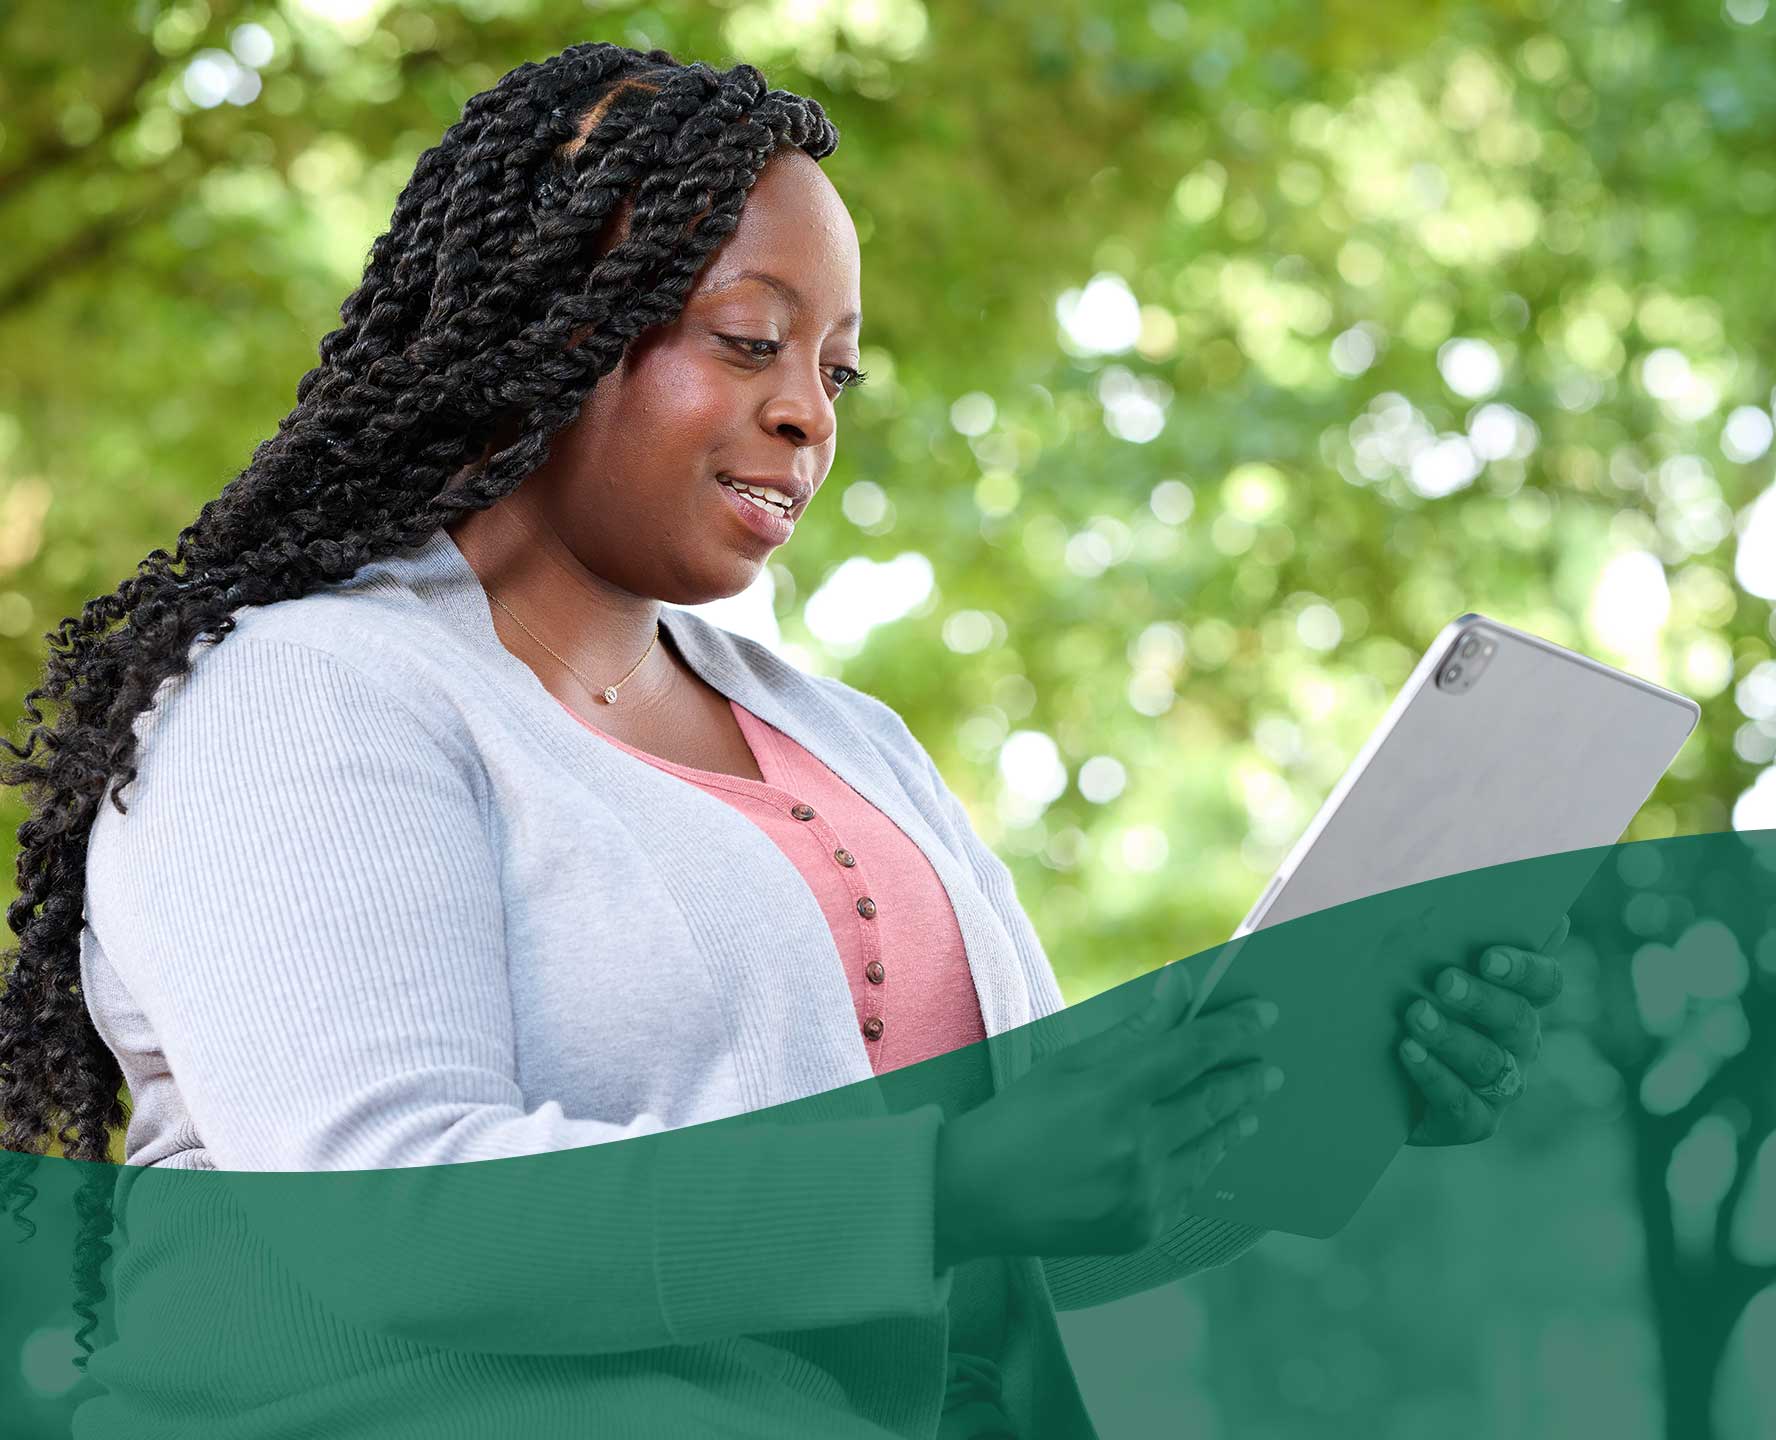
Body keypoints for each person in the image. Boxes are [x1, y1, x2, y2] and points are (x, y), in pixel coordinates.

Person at [0, 45, 1565, 1439]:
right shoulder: (306, 688)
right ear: (544, 328)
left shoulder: (849, 743)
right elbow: (379, 1208)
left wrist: (1322, 1111)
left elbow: (1031, 1222)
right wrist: (939, 1184)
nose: (810, 415)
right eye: (749, 341)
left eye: (836, 370)